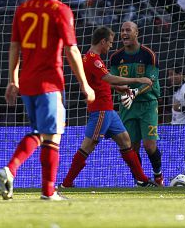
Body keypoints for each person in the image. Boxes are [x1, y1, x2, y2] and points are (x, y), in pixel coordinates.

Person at [0, 0, 94, 201]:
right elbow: (72, 51)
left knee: (46, 133)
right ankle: (20, 174)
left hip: (27, 83)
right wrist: (84, 84)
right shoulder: (61, 11)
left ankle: (46, 189)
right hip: (49, 82)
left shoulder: (23, 9)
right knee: (48, 133)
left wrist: (13, 80)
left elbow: (14, 47)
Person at [60, 26, 156, 188]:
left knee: (126, 141)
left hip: (109, 111)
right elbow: (109, 78)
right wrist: (138, 80)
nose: (111, 46)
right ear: (103, 41)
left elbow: (101, 82)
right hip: (100, 110)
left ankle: (142, 180)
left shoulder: (92, 58)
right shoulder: (93, 59)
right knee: (88, 145)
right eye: (110, 43)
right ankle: (67, 183)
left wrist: (120, 88)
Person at [109, 21, 163, 185]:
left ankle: (158, 176)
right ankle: (140, 180)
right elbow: (111, 80)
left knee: (149, 145)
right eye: (122, 30)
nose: (124, 33)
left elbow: (150, 81)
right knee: (131, 146)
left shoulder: (148, 55)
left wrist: (135, 92)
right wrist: (120, 88)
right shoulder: (116, 57)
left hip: (147, 105)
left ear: (136, 33)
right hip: (127, 106)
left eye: (128, 30)